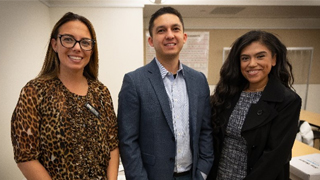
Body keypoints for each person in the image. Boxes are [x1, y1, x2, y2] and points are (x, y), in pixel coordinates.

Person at [11, 12, 119, 180]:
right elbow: (26, 157)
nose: (77, 47)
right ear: (55, 44)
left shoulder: (101, 92)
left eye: (85, 42)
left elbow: (112, 144)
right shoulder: (34, 91)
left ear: (92, 48)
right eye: (68, 39)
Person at [118, 6, 214, 180]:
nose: (170, 35)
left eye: (175, 29)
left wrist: (202, 171)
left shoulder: (199, 80)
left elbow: (205, 130)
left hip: (192, 175)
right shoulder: (134, 81)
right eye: (161, 30)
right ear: (151, 41)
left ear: (184, 38)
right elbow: (128, 140)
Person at [208, 30, 302, 180]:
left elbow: (274, 157)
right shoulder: (228, 94)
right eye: (245, 58)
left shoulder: (287, 101)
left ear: (274, 59)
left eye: (260, 56)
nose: (252, 64)